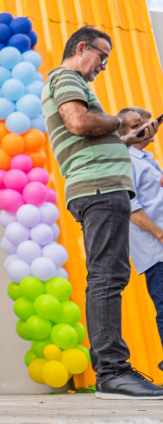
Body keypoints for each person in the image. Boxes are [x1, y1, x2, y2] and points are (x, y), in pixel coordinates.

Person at [41, 26, 163, 399]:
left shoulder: (67, 80)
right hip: (99, 188)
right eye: (102, 57)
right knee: (108, 277)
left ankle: (112, 371)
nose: (104, 67)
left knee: (108, 275)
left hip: (98, 187)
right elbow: (78, 122)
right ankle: (112, 372)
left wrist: (124, 138)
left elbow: (86, 133)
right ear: (82, 48)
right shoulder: (65, 76)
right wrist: (116, 121)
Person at [117, 107, 163, 373]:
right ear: (127, 133)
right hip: (155, 251)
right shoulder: (127, 159)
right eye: (138, 123)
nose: (148, 125)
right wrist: (160, 235)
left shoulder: (146, 158)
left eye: (147, 120)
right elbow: (132, 208)